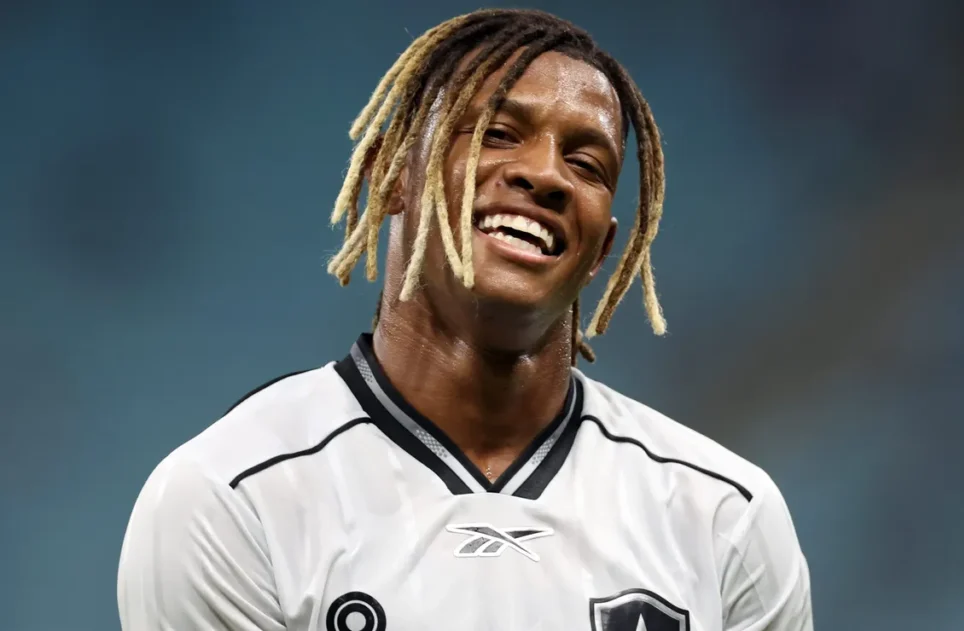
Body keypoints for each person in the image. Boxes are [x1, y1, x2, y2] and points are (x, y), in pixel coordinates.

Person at [117, 9, 813, 631]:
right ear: (394, 172)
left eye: (586, 163)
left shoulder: (724, 517)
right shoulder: (233, 497)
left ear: (602, 249)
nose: (546, 175)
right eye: (496, 133)